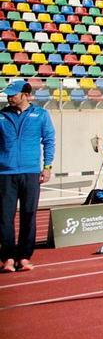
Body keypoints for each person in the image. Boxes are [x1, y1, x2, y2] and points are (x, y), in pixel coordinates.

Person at [0, 80, 55, 272]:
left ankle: (24, 257)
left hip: (31, 172)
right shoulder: (2, 116)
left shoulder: (41, 115)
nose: (9, 97)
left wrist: (47, 166)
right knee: (5, 217)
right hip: (5, 173)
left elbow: (49, 141)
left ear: (26, 95)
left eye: (13, 94)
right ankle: (7, 257)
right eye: (8, 94)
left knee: (29, 215)